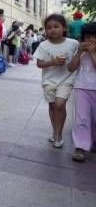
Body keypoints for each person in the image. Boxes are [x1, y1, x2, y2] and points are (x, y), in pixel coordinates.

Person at [34, 14, 79, 149]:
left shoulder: (73, 43)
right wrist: (52, 62)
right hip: (49, 81)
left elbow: (78, 59)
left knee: (60, 105)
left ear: (64, 28)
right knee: (53, 106)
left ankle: (58, 134)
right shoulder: (43, 45)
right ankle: (55, 131)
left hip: (66, 79)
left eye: (56, 26)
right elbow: (39, 64)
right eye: (49, 27)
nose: (52, 30)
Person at [67, 22, 96, 162]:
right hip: (81, 88)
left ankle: (93, 141)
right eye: (88, 36)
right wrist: (79, 52)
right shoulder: (80, 51)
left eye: (94, 37)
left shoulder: (90, 52)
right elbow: (71, 68)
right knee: (82, 118)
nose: (91, 40)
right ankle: (81, 146)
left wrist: (91, 53)